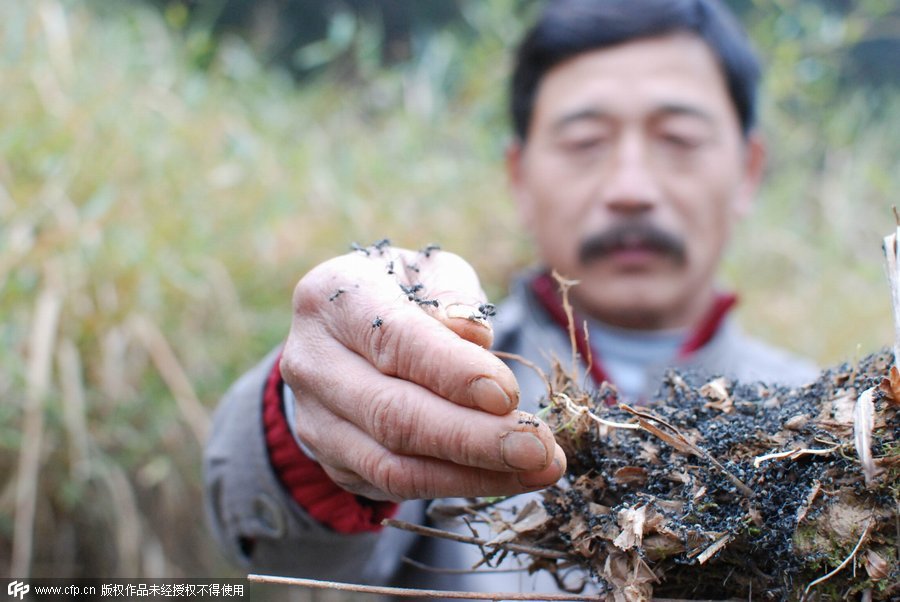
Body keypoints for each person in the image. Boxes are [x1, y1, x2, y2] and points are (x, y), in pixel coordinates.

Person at [204, 0, 818, 593]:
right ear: (520, 177)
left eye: (679, 138)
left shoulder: (826, 428)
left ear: (748, 171)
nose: (631, 188)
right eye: (585, 141)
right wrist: (313, 417)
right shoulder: (439, 373)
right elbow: (285, 557)